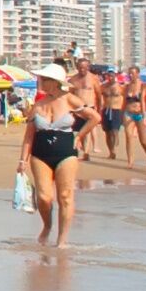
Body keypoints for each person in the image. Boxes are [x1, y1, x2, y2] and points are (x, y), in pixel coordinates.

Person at [18, 63, 86, 246]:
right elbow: (28, 136)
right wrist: (22, 160)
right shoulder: (38, 105)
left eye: (44, 79)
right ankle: (47, 226)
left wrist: (80, 135)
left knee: (65, 196)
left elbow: (94, 117)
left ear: (55, 82)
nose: (40, 81)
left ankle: (62, 239)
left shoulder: (70, 99)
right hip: (40, 155)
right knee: (44, 197)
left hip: (66, 154)